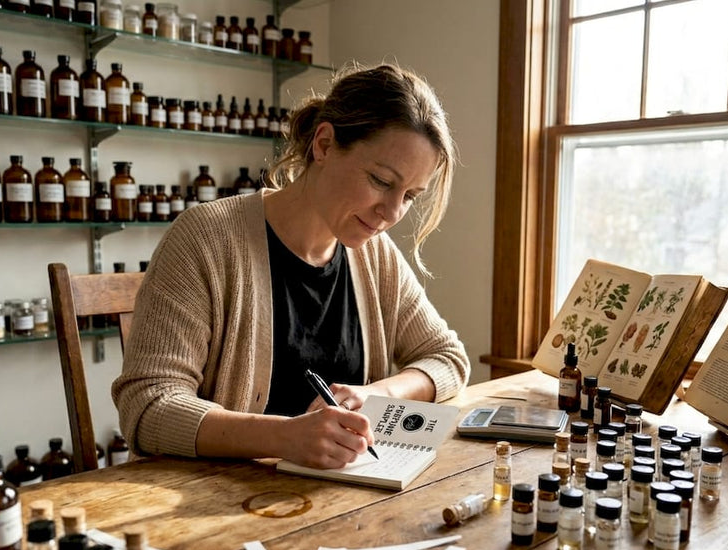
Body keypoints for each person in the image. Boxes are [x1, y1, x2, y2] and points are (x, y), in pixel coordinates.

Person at [112, 63, 470, 470]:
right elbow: (147, 405)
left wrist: (377, 394)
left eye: (410, 196)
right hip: (213, 504)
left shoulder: (376, 255)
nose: (390, 212)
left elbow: (448, 359)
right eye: (381, 181)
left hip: (338, 502)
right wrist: (285, 437)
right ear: (324, 144)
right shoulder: (205, 239)